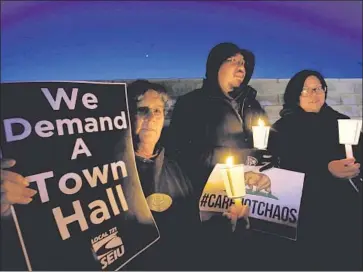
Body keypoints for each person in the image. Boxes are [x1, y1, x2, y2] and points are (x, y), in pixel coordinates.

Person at [1, 79, 249, 270]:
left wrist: (226, 217)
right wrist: (6, 210)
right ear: (123, 117)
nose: (151, 118)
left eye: (158, 111)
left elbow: (194, 226)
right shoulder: (93, 173)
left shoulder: (179, 169)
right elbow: (44, 230)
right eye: (142, 110)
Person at [268, 69, 362, 270]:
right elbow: (281, 168)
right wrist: (325, 169)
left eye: (317, 88)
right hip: (305, 215)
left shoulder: (342, 122)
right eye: (305, 90)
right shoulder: (282, 128)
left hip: (344, 213)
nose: (313, 95)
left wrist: (356, 168)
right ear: (294, 95)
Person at [166, 42, 270, 195]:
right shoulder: (191, 103)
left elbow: (268, 143)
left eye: (243, 63)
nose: (241, 68)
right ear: (216, 65)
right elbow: (183, 152)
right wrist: (245, 156)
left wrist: (272, 157)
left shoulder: (252, 104)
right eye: (233, 61)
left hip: (252, 192)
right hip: (211, 194)